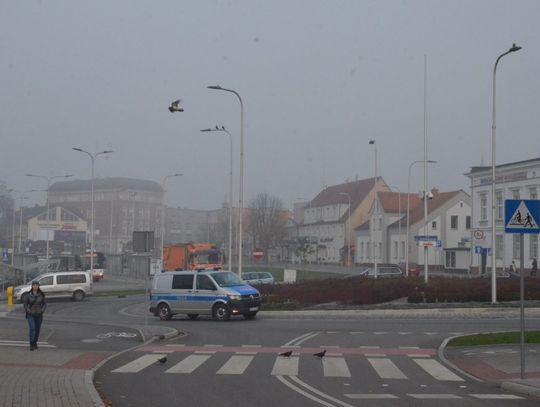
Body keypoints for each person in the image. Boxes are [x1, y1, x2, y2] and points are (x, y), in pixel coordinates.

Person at [24, 281, 46, 351]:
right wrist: (28, 311)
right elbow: (25, 305)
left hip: (39, 315)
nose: (35, 286)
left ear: (38, 286)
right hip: (31, 315)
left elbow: (45, 304)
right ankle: (31, 344)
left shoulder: (41, 295)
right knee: (32, 329)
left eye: (36, 285)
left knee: (37, 330)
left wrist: (42, 310)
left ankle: (35, 342)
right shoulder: (28, 295)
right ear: (32, 286)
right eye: (34, 285)